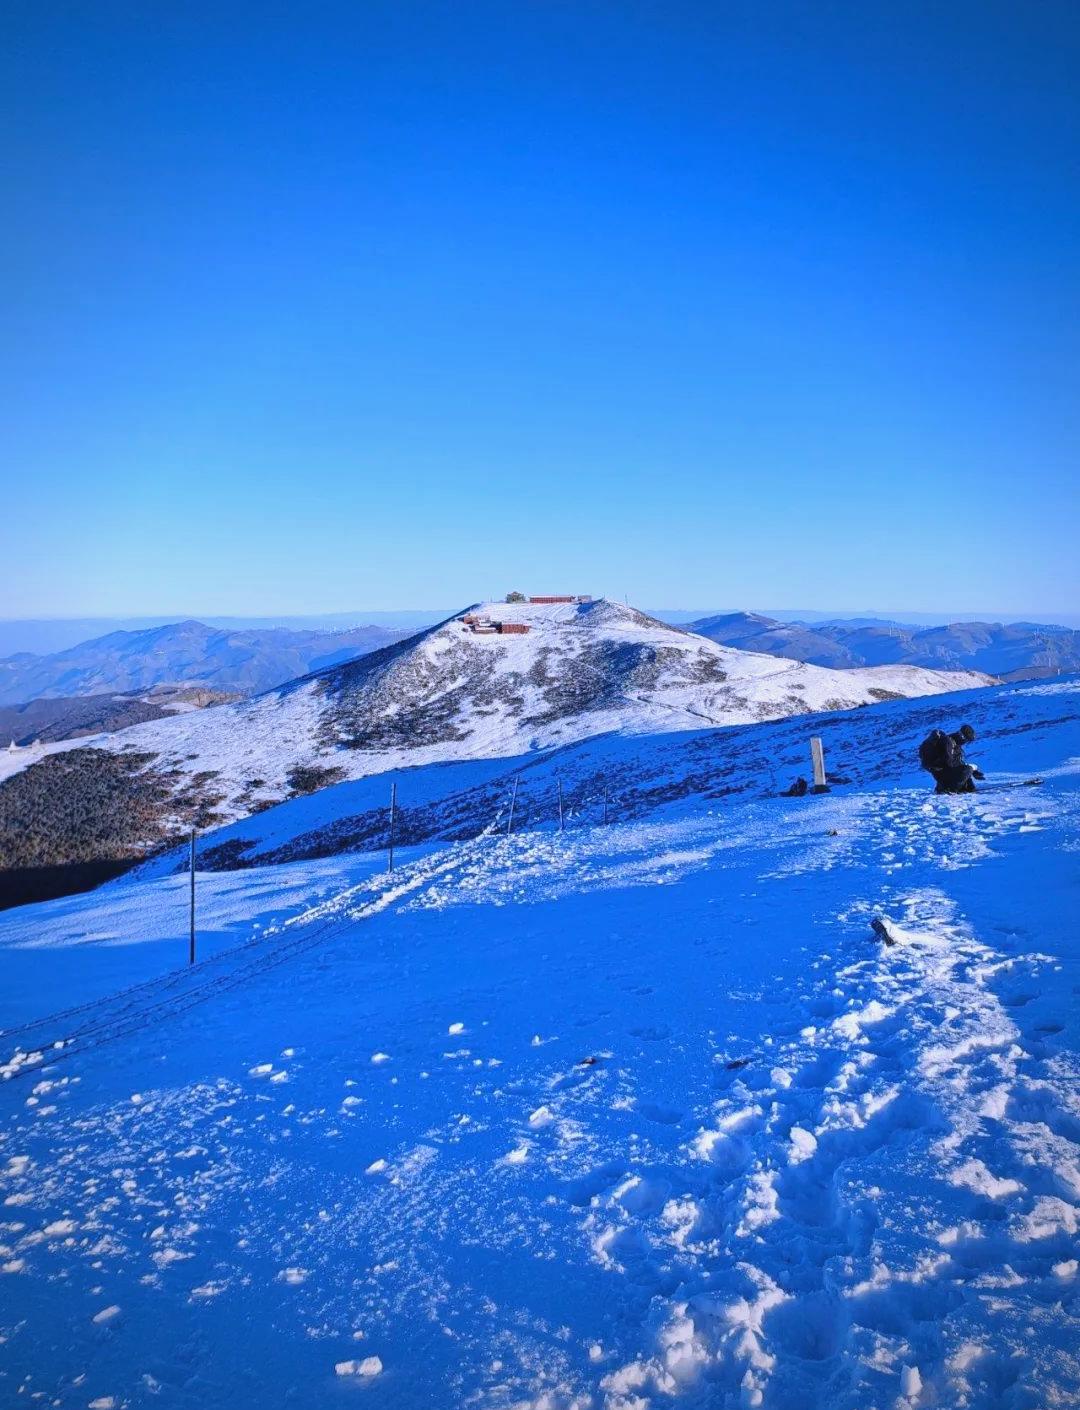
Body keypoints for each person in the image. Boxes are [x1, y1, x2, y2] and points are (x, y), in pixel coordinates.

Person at [918, 723, 985, 793]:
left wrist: (973, 771)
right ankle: (947, 790)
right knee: (967, 769)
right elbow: (949, 763)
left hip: (944, 774)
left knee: (968, 779)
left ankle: (955, 788)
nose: (966, 742)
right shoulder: (948, 742)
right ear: (962, 736)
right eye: (967, 739)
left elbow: (957, 762)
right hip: (942, 774)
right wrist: (971, 768)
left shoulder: (954, 744)